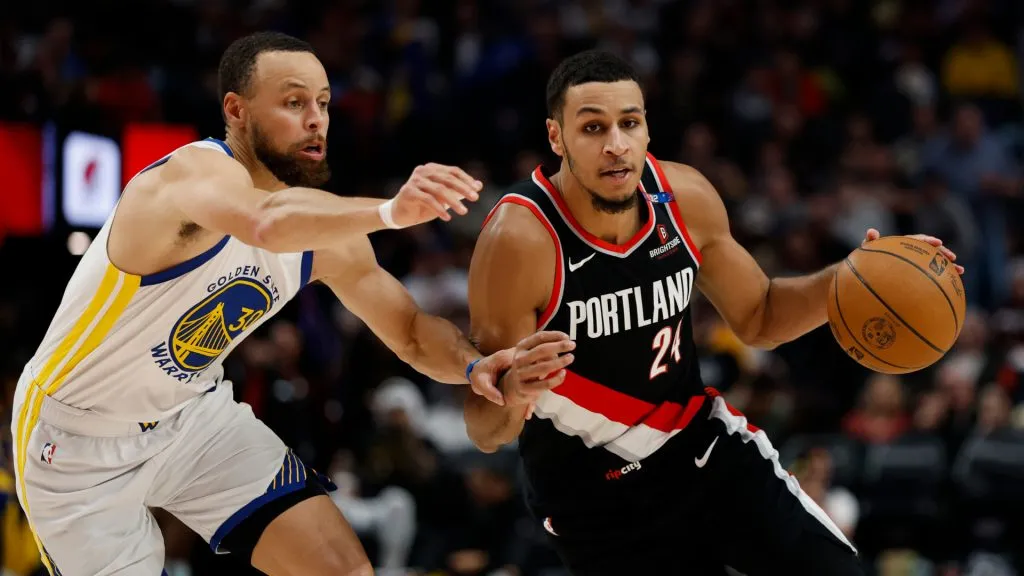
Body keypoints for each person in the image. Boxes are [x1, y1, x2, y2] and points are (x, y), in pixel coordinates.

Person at [10, 32, 566, 576]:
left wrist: (474, 367)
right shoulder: (190, 174)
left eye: (323, 103)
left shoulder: (327, 230)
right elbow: (264, 223)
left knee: (342, 569)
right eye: (294, 102)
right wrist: (391, 212)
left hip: (193, 418)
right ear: (237, 110)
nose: (316, 119)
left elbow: (414, 332)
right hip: (75, 440)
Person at [463, 50, 963, 576]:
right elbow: (483, 428)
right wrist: (510, 391)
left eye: (629, 123)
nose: (616, 144)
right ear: (556, 137)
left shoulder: (684, 197)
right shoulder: (520, 241)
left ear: (647, 129)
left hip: (701, 451)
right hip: (594, 500)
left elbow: (761, 315)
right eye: (592, 127)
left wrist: (856, 278)